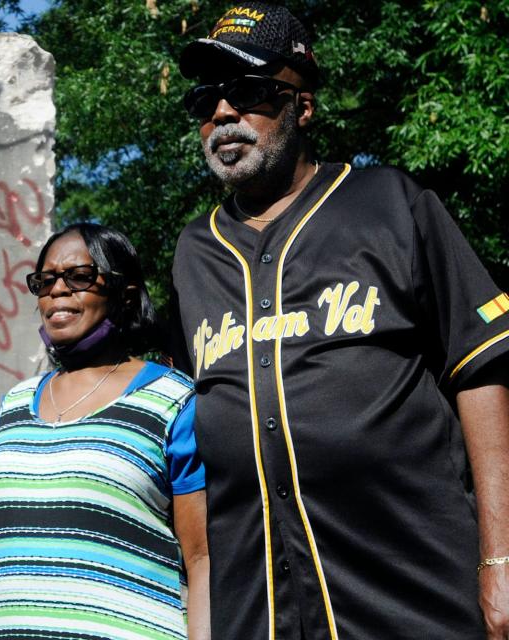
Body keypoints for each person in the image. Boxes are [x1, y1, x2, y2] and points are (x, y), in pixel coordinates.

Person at [169, 2, 509, 639]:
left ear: (303, 105)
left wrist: (501, 560)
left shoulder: (390, 204)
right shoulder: (195, 251)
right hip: (259, 609)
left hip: (413, 597)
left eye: (249, 93)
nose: (222, 113)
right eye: (207, 99)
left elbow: (483, 368)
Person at [0, 222, 210, 640]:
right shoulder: (15, 404)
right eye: (45, 280)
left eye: (79, 277)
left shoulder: (173, 400)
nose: (57, 290)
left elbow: (201, 560)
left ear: (124, 294)